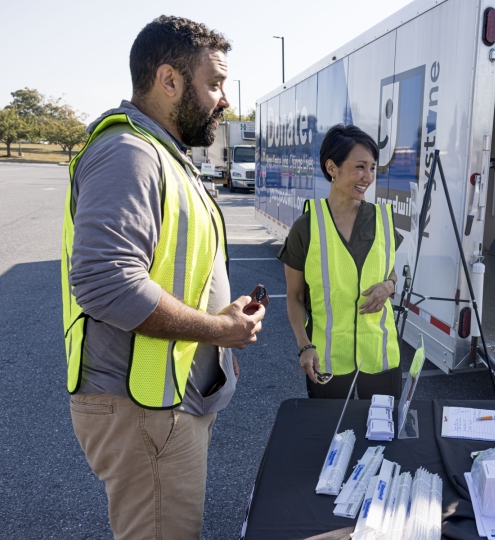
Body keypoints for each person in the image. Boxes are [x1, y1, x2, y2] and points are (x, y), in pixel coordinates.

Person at [61, 16, 265, 539]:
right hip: (143, 411)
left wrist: (220, 319)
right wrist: (219, 332)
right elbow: (107, 280)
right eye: (214, 84)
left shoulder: (166, 156)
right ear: (169, 80)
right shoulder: (129, 153)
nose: (224, 100)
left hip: (166, 405)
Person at [280, 124, 404, 399]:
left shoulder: (383, 220)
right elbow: (294, 296)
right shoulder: (306, 227)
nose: (368, 177)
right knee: (330, 437)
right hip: (327, 358)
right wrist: (304, 346)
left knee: (383, 434)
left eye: (372, 168)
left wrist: (388, 286)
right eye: (359, 167)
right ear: (332, 168)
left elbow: (391, 273)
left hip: (381, 355)